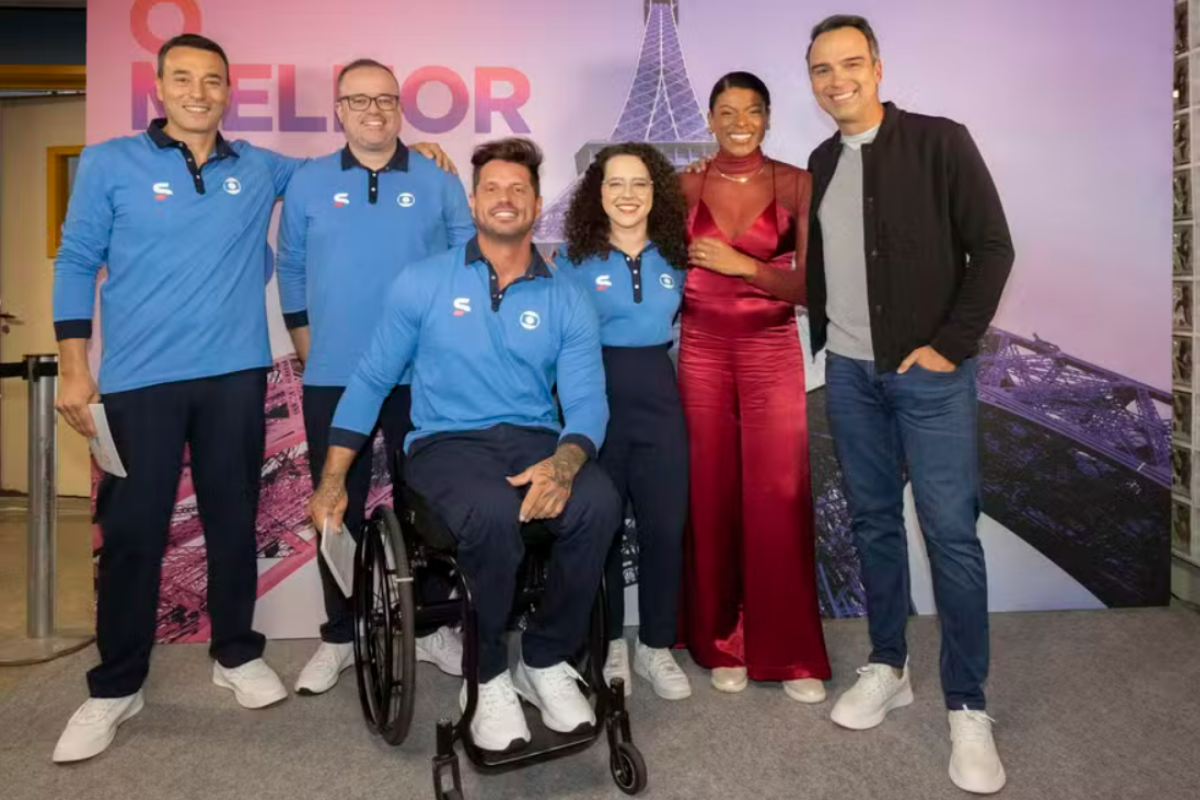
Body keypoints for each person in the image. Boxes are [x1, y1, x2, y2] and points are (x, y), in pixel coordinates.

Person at [49, 34, 454, 764]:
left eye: (212, 81)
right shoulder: (111, 163)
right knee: (136, 533)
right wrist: (73, 366)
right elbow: (78, 260)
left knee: (232, 519)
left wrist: (420, 154)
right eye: (183, 79)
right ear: (161, 87)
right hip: (138, 379)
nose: (199, 92)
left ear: (228, 91)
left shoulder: (263, 168)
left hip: (235, 374)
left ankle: (235, 652)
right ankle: (115, 685)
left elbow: (352, 163)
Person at [308, 137, 621, 753]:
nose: (505, 199)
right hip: (445, 445)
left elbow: (587, 403)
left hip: (535, 439)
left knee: (599, 501)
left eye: (518, 189)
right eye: (492, 188)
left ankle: (544, 656)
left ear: (536, 203)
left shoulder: (567, 296)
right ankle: (487, 676)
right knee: (492, 511)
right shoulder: (422, 282)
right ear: (473, 201)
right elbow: (371, 380)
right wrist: (332, 479)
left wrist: (563, 465)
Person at [804, 15, 1014, 795]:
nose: (837, 80)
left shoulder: (940, 140)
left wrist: (949, 347)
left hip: (928, 375)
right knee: (871, 522)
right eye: (822, 69)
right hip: (851, 375)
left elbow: (993, 247)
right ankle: (888, 664)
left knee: (952, 536)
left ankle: (968, 705)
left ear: (879, 68)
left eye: (850, 63)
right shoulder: (821, 160)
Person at [276, 57, 472, 695]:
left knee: (431, 501)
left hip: (424, 374)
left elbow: (468, 265)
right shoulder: (307, 182)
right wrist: (310, 346)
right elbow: (293, 267)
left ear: (400, 107)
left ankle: (433, 624)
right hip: (336, 373)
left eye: (385, 99)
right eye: (358, 101)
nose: (373, 111)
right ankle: (342, 633)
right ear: (339, 110)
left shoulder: (439, 180)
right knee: (338, 506)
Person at [678, 72, 832, 702]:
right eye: (726, 111)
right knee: (709, 494)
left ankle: (790, 651)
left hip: (772, 350)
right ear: (710, 119)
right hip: (701, 352)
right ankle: (721, 642)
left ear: (768, 118)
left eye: (752, 110)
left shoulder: (798, 182)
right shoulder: (682, 184)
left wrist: (745, 266)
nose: (739, 121)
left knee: (779, 497)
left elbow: (812, 289)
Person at [560, 143, 691, 700]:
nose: (627, 194)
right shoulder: (572, 260)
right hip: (595, 405)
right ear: (598, 192)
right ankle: (611, 640)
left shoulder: (680, 256)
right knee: (604, 529)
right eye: (615, 183)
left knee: (665, 527)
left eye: (639, 183)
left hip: (661, 405)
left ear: (656, 191)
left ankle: (656, 644)